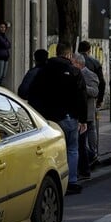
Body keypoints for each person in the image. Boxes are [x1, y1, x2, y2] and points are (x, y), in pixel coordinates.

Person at [28, 42, 88, 195]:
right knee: (72, 149)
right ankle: (71, 181)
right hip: (70, 117)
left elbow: (32, 92)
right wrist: (83, 119)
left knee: (52, 151)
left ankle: (55, 181)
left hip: (48, 119)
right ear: (69, 55)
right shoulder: (74, 72)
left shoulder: (43, 71)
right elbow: (82, 96)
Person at [71, 53, 99, 181]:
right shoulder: (73, 73)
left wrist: (82, 87)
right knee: (79, 143)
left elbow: (95, 91)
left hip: (86, 114)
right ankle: (89, 159)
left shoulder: (89, 75)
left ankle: (88, 163)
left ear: (78, 63)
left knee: (81, 143)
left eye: (73, 62)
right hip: (78, 113)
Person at [78, 40, 106, 165]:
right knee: (91, 128)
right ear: (89, 50)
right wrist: (99, 100)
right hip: (89, 102)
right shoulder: (95, 63)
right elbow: (102, 82)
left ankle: (85, 153)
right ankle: (92, 152)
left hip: (79, 102)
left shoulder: (76, 61)